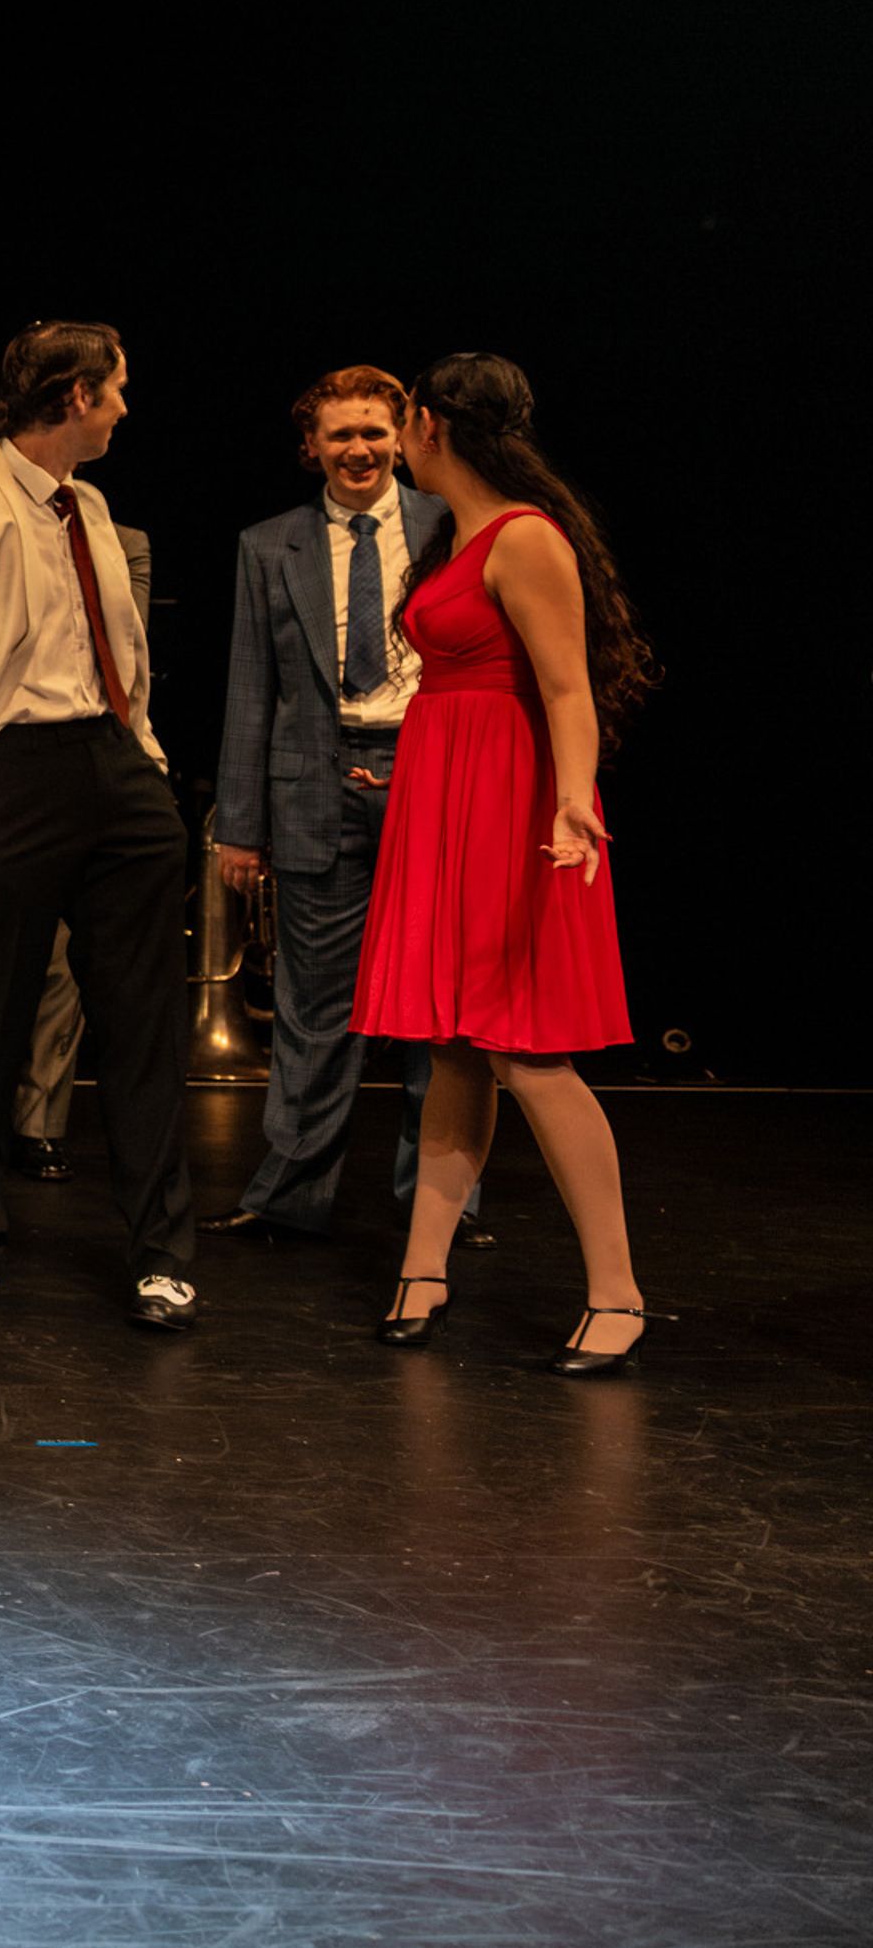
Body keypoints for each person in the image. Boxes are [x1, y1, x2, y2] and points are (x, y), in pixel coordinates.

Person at [0, 321, 200, 1331]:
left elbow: (115, 643)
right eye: (114, 390)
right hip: (11, 779)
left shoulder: (91, 506)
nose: (122, 407)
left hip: (114, 767)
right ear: (74, 396)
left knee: (145, 1027)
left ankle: (161, 1256)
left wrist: (142, 752)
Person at [354, 352, 651, 1373]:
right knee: (452, 1044)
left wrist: (573, 801)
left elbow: (568, 690)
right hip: (444, 791)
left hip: (511, 801)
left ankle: (618, 1292)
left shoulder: (525, 539)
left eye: (403, 424)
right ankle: (423, 1267)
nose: (396, 445)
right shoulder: (454, 534)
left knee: (528, 1050)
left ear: (432, 425)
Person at [205, 367, 476, 1245]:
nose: (357, 449)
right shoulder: (268, 543)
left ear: (403, 436)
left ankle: (441, 1203)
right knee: (314, 1006)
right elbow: (252, 690)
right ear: (311, 446)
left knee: (440, 1007)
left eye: (372, 432)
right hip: (316, 788)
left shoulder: (453, 524)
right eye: (339, 435)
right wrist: (239, 826)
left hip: (430, 776)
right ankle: (289, 1196)